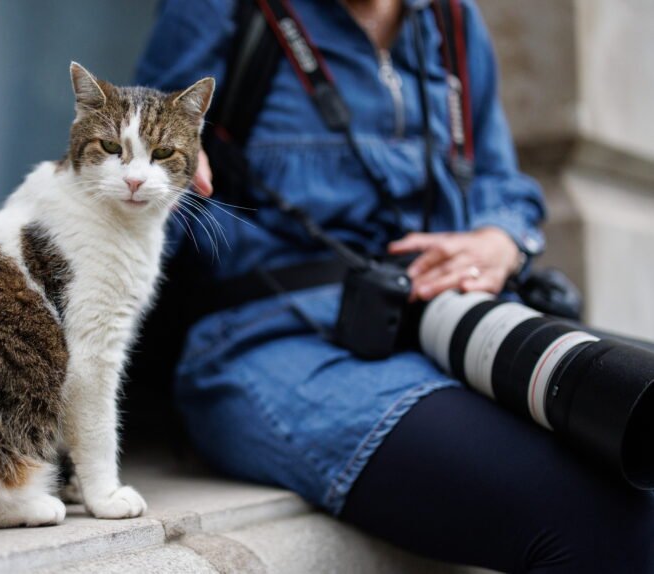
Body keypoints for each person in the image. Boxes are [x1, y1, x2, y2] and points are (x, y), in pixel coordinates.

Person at [135, 0, 654, 571]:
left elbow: (500, 181)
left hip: (448, 325)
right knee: (599, 522)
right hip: (277, 340)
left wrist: (501, 239)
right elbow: (132, 168)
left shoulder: (452, 19)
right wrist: (160, 181)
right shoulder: (225, 10)